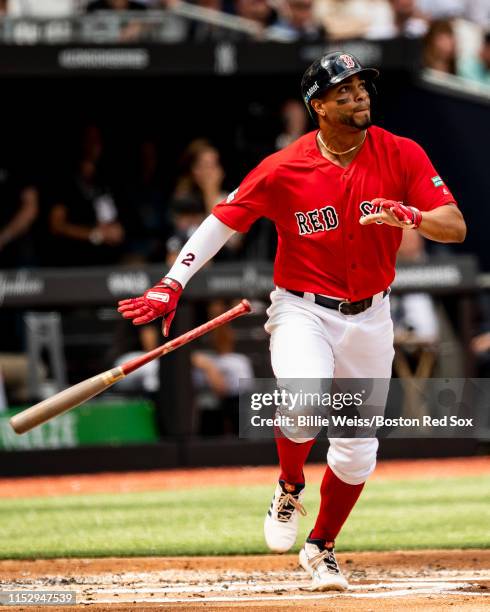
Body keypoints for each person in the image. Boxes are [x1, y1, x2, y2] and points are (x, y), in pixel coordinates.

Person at [117, 51, 466, 590]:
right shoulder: (284, 165)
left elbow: (455, 225)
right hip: (303, 307)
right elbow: (222, 221)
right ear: (318, 106)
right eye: (343, 92)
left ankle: (321, 546)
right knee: (303, 399)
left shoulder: (400, 152)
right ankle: (288, 486)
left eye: (361, 88)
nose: (358, 98)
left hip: (371, 315)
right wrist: (173, 282)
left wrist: (412, 216)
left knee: (356, 450)